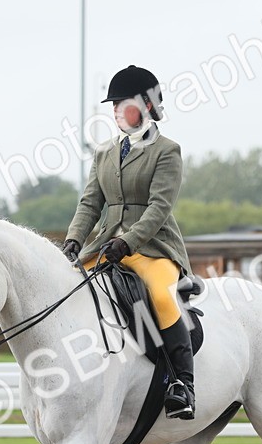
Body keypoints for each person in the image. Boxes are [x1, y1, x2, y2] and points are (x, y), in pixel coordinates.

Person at [62, 64, 195, 420]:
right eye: (115, 106)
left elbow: (159, 207)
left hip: (153, 247)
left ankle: (181, 383)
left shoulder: (167, 151)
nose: (118, 112)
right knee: (70, 287)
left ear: (148, 106)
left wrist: (130, 241)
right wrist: (74, 239)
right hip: (105, 245)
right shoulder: (105, 152)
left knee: (161, 296)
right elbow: (91, 202)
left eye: (125, 104)